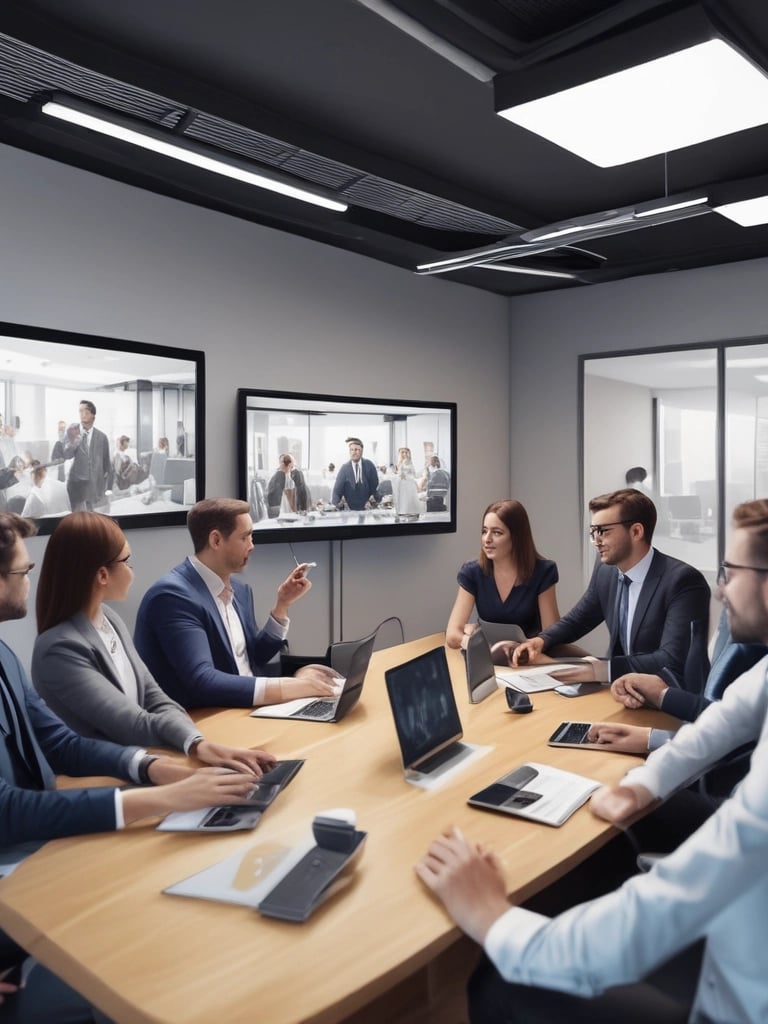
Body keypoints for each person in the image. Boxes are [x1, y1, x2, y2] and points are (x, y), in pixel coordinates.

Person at [417, 498, 768, 1024]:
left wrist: (493, 918)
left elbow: (658, 910)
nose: (721, 588)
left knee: (497, 984)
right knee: (618, 829)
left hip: (736, 995)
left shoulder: (680, 582)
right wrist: (645, 781)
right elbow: (729, 719)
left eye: (731, 572)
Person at [0, 512, 262, 1022]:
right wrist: (161, 798)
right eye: (20, 572)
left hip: (38, 856)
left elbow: (61, 743)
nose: (28, 580)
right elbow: (7, 811)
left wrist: (155, 771)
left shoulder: (6, 655)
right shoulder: (56, 646)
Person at [31, 512, 274, 773]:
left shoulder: (109, 619)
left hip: (145, 760)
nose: (132, 570)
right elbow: (131, 724)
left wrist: (196, 742)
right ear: (102, 575)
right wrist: (197, 745)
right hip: (102, 780)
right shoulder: (58, 649)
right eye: (127, 561)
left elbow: (155, 697)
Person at [134, 497, 339, 708]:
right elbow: (201, 680)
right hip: (204, 722)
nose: (252, 546)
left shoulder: (240, 591)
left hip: (246, 710)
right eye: (245, 537)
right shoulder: (172, 598)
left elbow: (255, 657)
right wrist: (295, 687)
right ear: (216, 541)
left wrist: (282, 605)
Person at [510, 488, 711, 683]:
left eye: (603, 531)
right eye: (593, 532)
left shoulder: (683, 582)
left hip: (669, 700)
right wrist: (540, 641)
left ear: (636, 531)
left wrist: (601, 670)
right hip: (622, 690)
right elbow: (579, 620)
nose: (596, 541)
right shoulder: (607, 571)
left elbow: (671, 659)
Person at [446, 500, 559, 649]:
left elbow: (551, 636)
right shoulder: (472, 571)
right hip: (488, 660)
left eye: (497, 533)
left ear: (516, 537)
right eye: (484, 531)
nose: (487, 539)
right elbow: (452, 635)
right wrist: (478, 646)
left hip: (529, 659)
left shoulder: (543, 571)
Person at [63, 400, 112, 511]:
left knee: (91, 520)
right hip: (76, 484)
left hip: (94, 485)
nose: (82, 414)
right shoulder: (72, 431)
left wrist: (107, 487)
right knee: (75, 519)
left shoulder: (102, 437)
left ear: (93, 415)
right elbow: (66, 454)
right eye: (80, 411)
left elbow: (106, 464)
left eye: (86, 411)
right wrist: (75, 442)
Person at [331, 437, 380, 510]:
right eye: (352, 450)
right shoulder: (344, 468)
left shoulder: (369, 465)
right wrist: (338, 504)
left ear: (362, 451)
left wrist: (373, 500)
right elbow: (336, 492)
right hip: (349, 509)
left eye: (357, 450)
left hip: (367, 508)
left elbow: (375, 487)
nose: (354, 452)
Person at [266, 453, 310, 517]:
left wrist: (290, 470)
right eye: (283, 462)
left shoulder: (297, 474)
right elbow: (272, 494)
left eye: (288, 461)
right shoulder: (277, 476)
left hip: (296, 507)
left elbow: (302, 492)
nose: (286, 464)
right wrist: (282, 472)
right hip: (280, 508)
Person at [393, 446, 420, 517]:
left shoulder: (410, 462)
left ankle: (412, 511)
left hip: (409, 480)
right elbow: (398, 473)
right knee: (403, 496)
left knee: (411, 496)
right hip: (402, 481)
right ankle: (402, 511)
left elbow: (414, 473)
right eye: (403, 452)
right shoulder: (399, 462)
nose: (404, 454)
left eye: (406, 452)